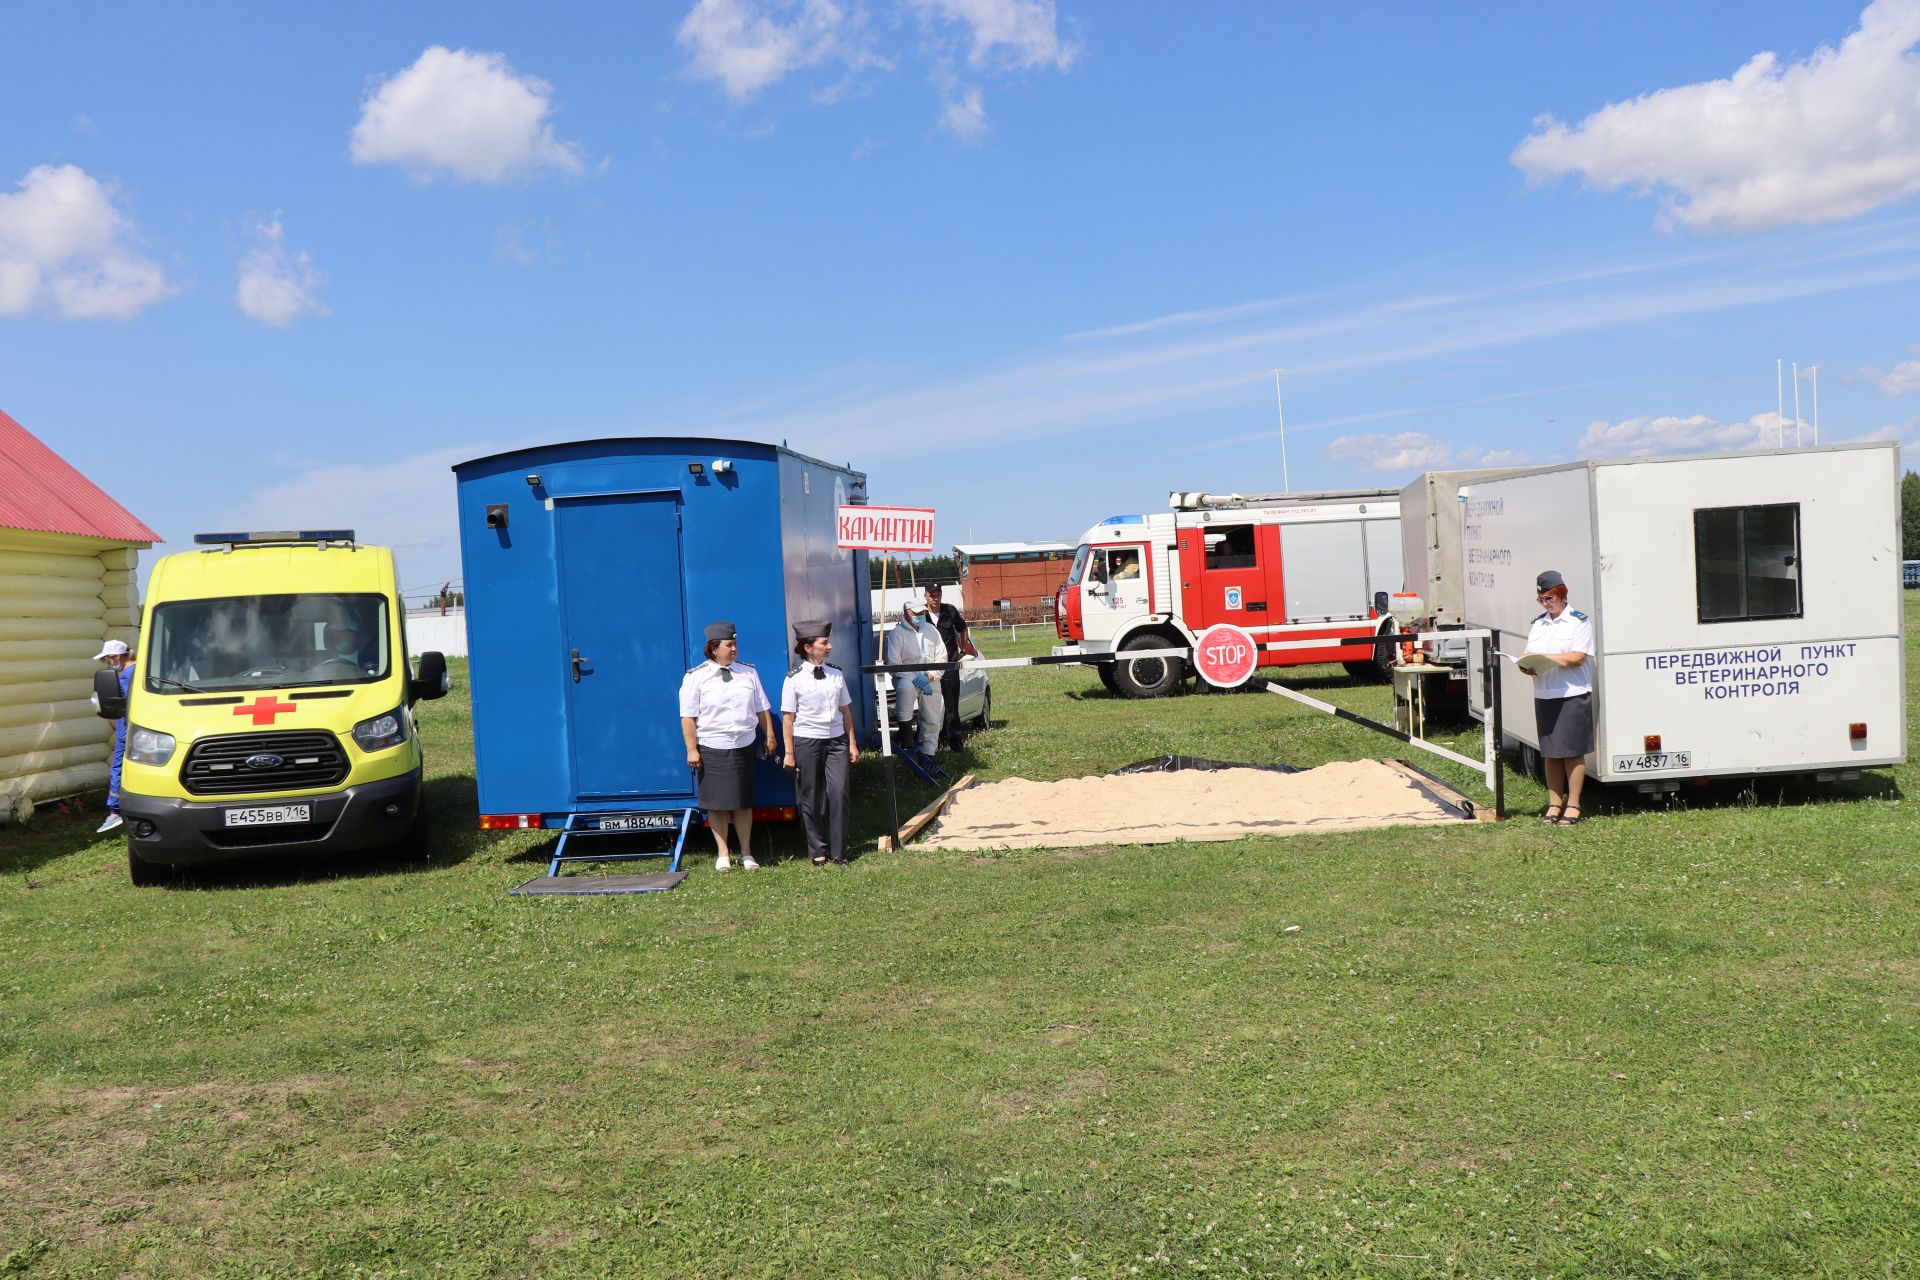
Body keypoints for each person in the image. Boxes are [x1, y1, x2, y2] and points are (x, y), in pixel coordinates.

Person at [678, 621, 776, 871]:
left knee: (743, 802)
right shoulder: (696, 677)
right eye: (729, 645)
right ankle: (723, 853)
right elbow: (688, 717)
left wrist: (770, 736)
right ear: (713, 648)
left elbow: (762, 708)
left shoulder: (748, 673)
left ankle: (746, 852)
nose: (734, 649)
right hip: (712, 746)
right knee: (717, 803)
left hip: (743, 745)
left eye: (735, 644)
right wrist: (692, 749)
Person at [781, 620, 859, 867]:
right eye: (824, 643)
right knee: (811, 795)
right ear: (808, 647)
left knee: (838, 792)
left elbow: (845, 711)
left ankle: (839, 852)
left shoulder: (836, 673)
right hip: (808, 741)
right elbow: (788, 719)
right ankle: (818, 851)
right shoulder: (793, 679)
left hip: (836, 741)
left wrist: (852, 744)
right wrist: (789, 753)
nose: (830, 647)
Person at [1521, 570, 1596, 826]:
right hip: (1545, 693)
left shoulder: (1578, 621)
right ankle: (1554, 804)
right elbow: (1529, 653)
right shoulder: (1538, 624)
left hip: (1571, 694)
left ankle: (1573, 805)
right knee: (1551, 752)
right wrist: (1526, 665)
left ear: (1562, 594)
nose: (1546, 602)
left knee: (1572, 752)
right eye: (1541, 598)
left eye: (1549, 596)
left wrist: (1548, 659)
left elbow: (1578, 657)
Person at [884, 601, 946, 758]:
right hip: (907, 678)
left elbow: (941, 656)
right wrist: (915, 678)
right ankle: (906, 736)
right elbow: (894, 664)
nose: (920, 616)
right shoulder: (897, 634)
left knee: (932, 717)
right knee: (905, 688)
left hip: (931, 679)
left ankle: (928, 754)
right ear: (907, 612)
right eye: (916, 613)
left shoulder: (931, 630)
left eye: (922, 613)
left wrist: (930, 676)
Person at [922, 583, 975, 750]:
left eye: (938, 594)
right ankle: (932, 743)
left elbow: (963, 627)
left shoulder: (950, 610)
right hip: (930, 668)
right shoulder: (920, 614)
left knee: (952, 706)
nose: (935, 598)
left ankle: (955, 742)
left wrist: (963, 649)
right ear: (926, 596)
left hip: (950, 665)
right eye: (932, 595)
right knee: (930, 707)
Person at [94, 639, 135, 834]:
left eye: (107, 660)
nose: (108, 664)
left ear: (116, 657)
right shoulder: (140, 670)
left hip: (127, 728)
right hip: (132, 728)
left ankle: (115, 811)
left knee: (118, 765)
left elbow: (125, 705)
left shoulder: (127, 676)